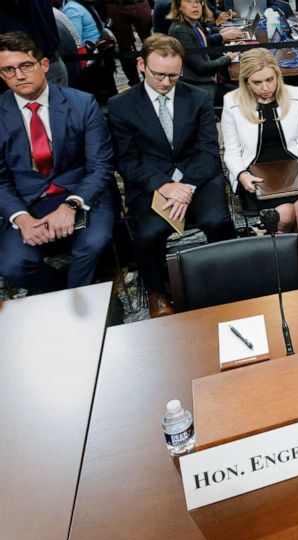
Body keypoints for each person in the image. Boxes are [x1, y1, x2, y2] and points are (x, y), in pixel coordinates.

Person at [108, 34, 235, 316]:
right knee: (149, 234)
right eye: (159, 75)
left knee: (218, 221)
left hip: (197, 178)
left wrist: (186, 186)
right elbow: (127, 160)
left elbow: (207, 149)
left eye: (173, 76)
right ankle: (157, 291)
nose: (165, 83)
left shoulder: (198, 98)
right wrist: (165, 185)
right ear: (141, 65)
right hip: (151, 183)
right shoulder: (121, 105)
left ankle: (226, 280)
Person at [0, 32, 114, 294]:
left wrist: (71, 204)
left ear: (43, 65)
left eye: (25, 65)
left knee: (94, 243)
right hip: (27, 201)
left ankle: (79, 307)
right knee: (13, 265)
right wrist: (21, 218)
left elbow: (100, 166)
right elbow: (0, 180)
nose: (19, 75)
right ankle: (65, 296)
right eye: (8, 69)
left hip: (81, 192)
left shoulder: (82, 103)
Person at [222, 49, 298, 235]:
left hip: (293, 163)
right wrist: (241, 174)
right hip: (255, 168)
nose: (265, 88)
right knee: (284, 217)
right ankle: (288, 249)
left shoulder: (296, 94)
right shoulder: (232, 102)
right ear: (246, 82)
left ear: (277, 75)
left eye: (270, 80)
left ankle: (294, 246)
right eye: (257, 83)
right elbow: (231, 150)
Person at [167, 0, 239, 105]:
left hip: (207, 80)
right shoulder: (180, 30)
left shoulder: (194, 24)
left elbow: (205, 47)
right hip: (198, 88)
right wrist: (227, 57)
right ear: (178, 6)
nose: (195, 5)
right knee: (245, 93)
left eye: (198, 1)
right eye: (189, 2)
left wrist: (226, 49)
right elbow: (201, 67)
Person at [105, 0, 153, 86]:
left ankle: (154, 75)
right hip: (115, 5)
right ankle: (134, 82)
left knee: (152, 43)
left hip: (139, 3)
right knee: (124, 47)